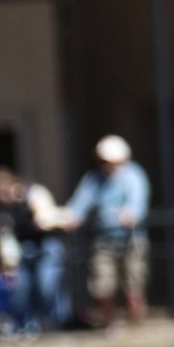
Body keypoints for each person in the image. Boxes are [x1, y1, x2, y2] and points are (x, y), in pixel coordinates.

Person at [63, 134, 151, 327]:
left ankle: (137, 328)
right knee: (103, 287)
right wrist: (70, 216)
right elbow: (80, 203)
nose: (108, 165)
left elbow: (137, 206)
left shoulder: (133, 176)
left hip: (131, 239)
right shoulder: (94, 178)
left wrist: (130, 215)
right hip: (103, 239)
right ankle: (109, 327)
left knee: (133, 286)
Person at [0, 166, 68, 335]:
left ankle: (56, 323)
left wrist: (40, 217)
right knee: (22, 290)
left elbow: (48, 217)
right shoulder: (6, 213)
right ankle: (30, 326)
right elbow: (6, 238)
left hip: (47, 246)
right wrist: (8, 262)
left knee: (46, 286)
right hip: (25, 250)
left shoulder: (34, 193)